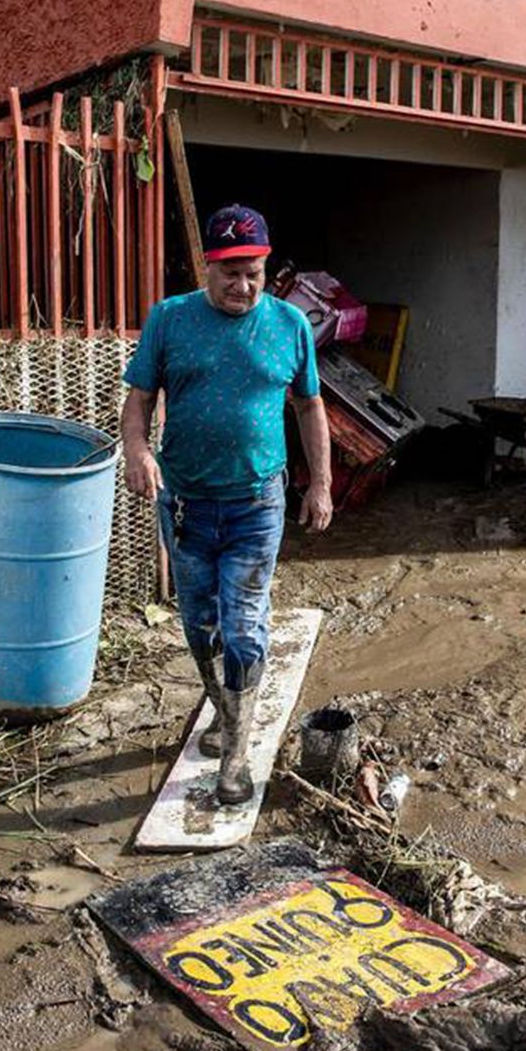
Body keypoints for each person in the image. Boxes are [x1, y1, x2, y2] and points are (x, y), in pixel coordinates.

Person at [119, 204, 333, 805]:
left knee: (243, 629)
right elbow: (139, 400)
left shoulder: (290, 325)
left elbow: (309, 406)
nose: (243, 286)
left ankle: (235, 756)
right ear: (207, 268)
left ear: (268, 270)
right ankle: (226, 710)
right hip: (185, 504)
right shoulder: (170, 319)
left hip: (256, 502)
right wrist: (137, 451)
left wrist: (321, 484)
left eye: (254, 273)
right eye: (230, 273)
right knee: (199, 626)